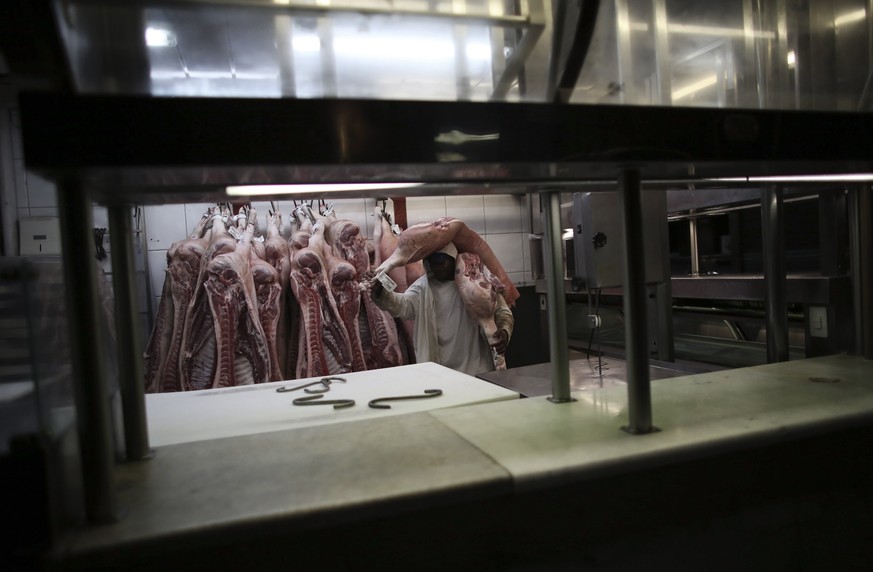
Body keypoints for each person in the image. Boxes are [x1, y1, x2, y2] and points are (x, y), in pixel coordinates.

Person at [370, 242, 514, 376]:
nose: (436, 268)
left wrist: (504, 331)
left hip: (477, 368)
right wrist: (382, 293)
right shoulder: (423, 287)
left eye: (441, 262)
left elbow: (502, 311)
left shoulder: (476, 283)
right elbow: (402, 306)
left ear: (452, 259)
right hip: (438, 372)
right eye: (432, 263)